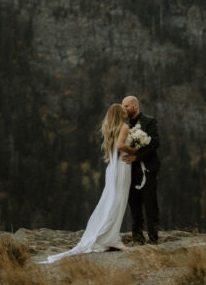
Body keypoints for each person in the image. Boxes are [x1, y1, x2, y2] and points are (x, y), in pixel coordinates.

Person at [43, 103, 132, 262]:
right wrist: (136, 151)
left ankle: (108, 235)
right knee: (119, 201)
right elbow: (120, 146)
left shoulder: (110, 129)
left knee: (111, 201)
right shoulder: (124, 127)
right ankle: (110, 237)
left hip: (113, 168)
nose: (126, 111)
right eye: (123, 110)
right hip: (122, 167)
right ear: (119, 113)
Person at [121, 94, 160, 244]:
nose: (124, 109)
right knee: (134, 205)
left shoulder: (149, 121)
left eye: (126, 106)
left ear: (135, 106)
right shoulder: (124, 125)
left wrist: (137, 157)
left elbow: (155, 143)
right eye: (123, 106)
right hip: (129, 171)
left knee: (150, 204)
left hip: (148, 169)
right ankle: (137, 237)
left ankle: (153, 237)